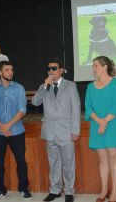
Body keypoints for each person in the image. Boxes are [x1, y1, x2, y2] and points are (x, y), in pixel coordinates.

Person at [31, 59, 81, 202]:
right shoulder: (44, 86)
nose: (51, 71)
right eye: (49, 69)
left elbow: (75, 109)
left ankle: (69, 191)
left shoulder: (70, 86)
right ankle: (55, 190)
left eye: (54, 68)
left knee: (68, 163)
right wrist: (44, 87)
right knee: (53, 163)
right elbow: (35, 102)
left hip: (66, 131)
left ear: (61, 70)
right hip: (50, 131)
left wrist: (75, 130)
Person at [85, 56, 116, 202]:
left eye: (95, 65)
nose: (93, 68)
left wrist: (105, 121)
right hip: (97, 126)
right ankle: (104, 190)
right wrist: (99, 121)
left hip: (113, 124)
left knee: (113, 157)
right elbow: (88, 107)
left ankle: (115, 191)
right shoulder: (90, 86)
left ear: (104, 67)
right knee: (102, 159)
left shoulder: (115, 83)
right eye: (93, 65)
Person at [0, 61, 31, 201]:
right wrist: (1, 126)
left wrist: (8, 125)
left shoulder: (19, 88)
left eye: (11, 70)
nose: (10, 72)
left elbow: (22, 110)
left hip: (17, 131)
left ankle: (23, 188)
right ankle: (0, 190)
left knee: (21, 161)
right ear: (0, 72)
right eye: (7, 70)